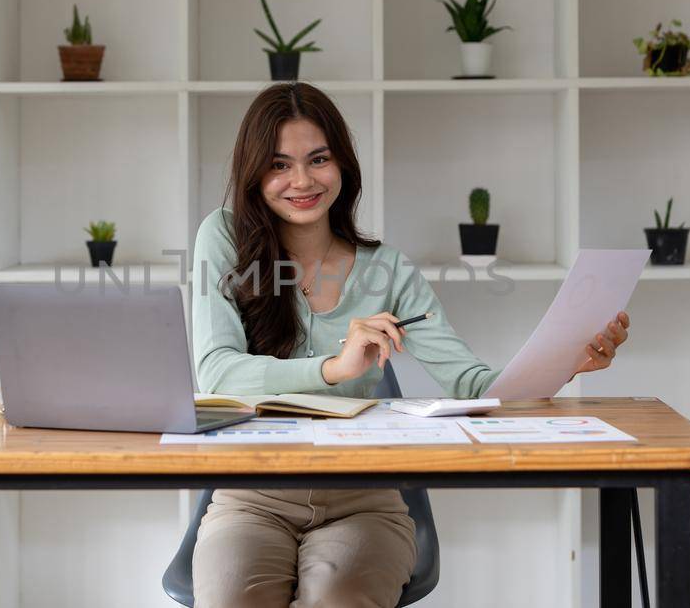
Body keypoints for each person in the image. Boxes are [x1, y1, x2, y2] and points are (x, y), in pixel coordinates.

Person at [188, 81, 631, 608]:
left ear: (343, 166)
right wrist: (334, 367)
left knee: (336, 597)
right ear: (253, 173)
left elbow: (474, 385)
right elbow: (216, 372)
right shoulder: (223, 237)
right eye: (279, 164)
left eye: (318, 159)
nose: (301, 180)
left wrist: (566, 361)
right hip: (250, 497)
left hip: (363, 500)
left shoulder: (388, 269)